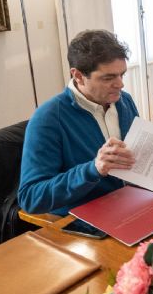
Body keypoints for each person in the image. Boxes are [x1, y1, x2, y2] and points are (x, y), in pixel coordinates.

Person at [18, 30, 138, 215]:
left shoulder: (124, 101)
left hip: (129, 203)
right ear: (78, 75)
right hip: (85, 222)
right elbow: (31, 197)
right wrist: (93, 169)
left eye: (122, 74)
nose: (120, 84)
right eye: (108, 78)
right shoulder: (48, 119)